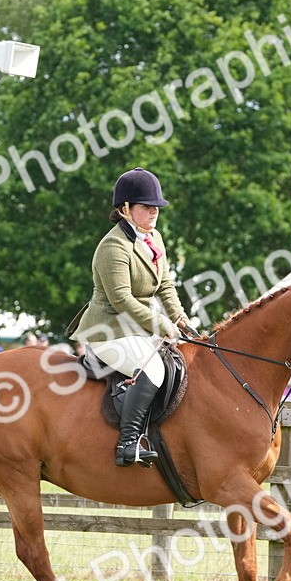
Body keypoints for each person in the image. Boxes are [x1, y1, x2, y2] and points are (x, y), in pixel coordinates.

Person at [67, 167, 189, 468]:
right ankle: (128, 443)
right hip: (108, 331)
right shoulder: (113, 247)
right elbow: (122, 300)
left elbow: (165, 285)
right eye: (146, 207)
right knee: (155, 371)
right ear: (125, 209)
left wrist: (180, 317)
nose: (154, 212)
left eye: (156, 207)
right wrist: (162, 324)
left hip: (138, 329)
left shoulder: (153, 238)